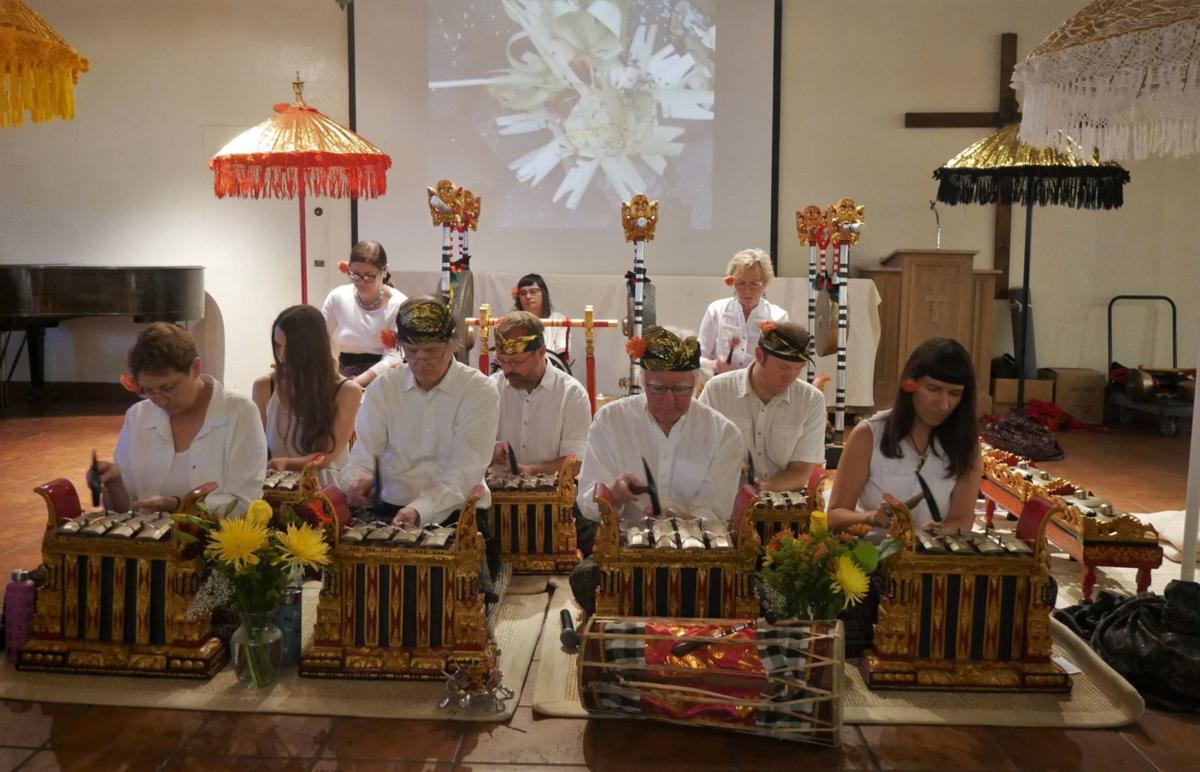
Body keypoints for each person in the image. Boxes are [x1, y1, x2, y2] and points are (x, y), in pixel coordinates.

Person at [339, 296, 499, 529]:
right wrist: (354, 482)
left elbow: (465, 471)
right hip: (389, 511)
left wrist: (420, 509)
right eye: (412, 351)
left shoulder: (479, 391)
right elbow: (364, 455)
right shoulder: (383, 389)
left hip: (458, 514)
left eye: (432, 351)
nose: (421, 360)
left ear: (452, 343)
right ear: (399, 345)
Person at [91, 323, 266, 515]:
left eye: (168, 388)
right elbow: (125, 510)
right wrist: (115, 483)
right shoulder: (138, 416)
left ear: (195, 368)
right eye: (148, 390)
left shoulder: (240, 414)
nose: (159, 400)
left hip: (215, 542)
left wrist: (180, 506)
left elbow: (245, 502)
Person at [828, 337, 981, 534]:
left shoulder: (966, 444)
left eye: (955, 394)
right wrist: (870, 517)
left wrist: (944, 531)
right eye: (933, 389)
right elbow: (834, 516)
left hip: (930, 557)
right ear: (909, 384)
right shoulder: (869, 435)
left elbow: (963, 519)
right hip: (873, 556)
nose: (944, 405)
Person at [699, 321, 825, 492]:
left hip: (782, 500)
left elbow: (801, 471)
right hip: (724, 496)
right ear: (759, 355)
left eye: (798, 369)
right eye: (783, 367)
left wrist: (761, 490)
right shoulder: (718, 390)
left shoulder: (811, 399)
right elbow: (698, 452)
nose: (791, 377)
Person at [252, 305, 362, 479]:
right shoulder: (265, 386)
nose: (282, 356)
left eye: (291, 350)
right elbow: (258, 447)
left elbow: (326, 456)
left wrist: (287, 463)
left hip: (326, 487)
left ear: (312, 349)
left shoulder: (347, 391)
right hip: (277, 486)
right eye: (278, 346)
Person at [489, 311, 590, 476]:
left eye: (517, 362)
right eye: (503, 361)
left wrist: (532, 471)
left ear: (541, 352)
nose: (507, 369)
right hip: (496, 498)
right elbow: (468, 452)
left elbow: (575, 463)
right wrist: (489, 450)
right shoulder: (491, 388)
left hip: (553, 498)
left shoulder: (571, 394)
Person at [321, 240, 407, 388]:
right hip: (343, 375)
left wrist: (354, 384)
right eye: (354, 274)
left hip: (383, 378)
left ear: (384, 270)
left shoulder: (399, 304)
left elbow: (393, 356)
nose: (361, 282)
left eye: (368, 276)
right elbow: (319, 339)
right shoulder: (338, 297)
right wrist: (334, 376)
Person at [697, 248, 789, 374]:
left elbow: (783, 362)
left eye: (754, 284)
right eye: (741, 283)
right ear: (732, 282)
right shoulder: (716, 310)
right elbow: (698, 356)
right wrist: (714, 365)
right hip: (720, 384)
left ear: (765, 283)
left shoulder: (778, 317)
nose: (747, 290)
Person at [513, 273, 570, 363]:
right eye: (523, 293)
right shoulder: (512, 321)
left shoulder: (559, 320)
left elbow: (561, 353)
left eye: (533, 292)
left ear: (543, 294)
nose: (528, 296)